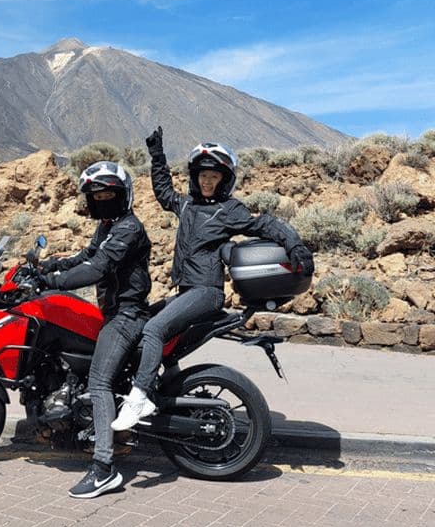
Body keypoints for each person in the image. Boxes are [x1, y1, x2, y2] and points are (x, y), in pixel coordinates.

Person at [111, 127, 314, 431]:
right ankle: (161, 387)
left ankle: (138, 398)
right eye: (203, 175)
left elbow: (265, 224)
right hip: (186, 291)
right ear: (195, 177)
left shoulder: (229, 210)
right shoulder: (188, 206)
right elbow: (164, 193)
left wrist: (295, 244)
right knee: (139, 326)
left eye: (214, 176)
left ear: (224, 179)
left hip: (207, 292)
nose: (207, 181)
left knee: (154, 329)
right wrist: (157, 156)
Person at [37, 160, 151, 499]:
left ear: (122, 195)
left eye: (107, 195)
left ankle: (104, 468)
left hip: (126, 316)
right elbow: (87, 255)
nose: (101, 201)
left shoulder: (128, 228)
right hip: (114, 313)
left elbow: (99, 267)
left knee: (98, 382)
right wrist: (52, 265)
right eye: (96, 196)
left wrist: (54, 282)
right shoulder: (108, 226)